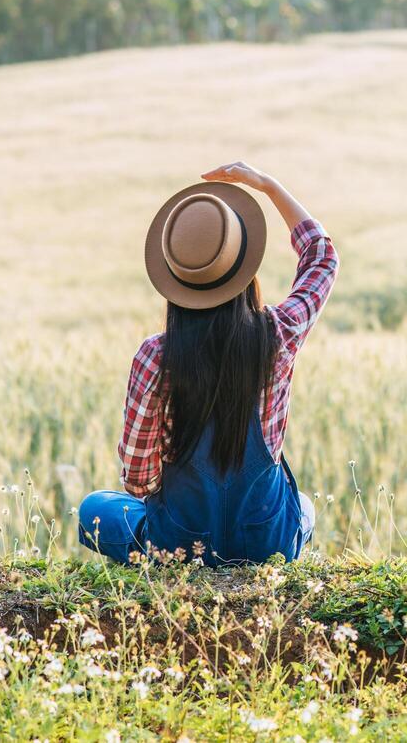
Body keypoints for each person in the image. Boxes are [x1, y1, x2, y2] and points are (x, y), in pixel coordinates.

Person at [77, 162, 338, 566]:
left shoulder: (155, 357)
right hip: (268, 544)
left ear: (174, 281)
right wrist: (269, 187)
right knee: (303, 505)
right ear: (244, 271)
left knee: (94, 509)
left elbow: (137, 479)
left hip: (178, 548)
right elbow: (321, 259)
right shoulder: (279, 335)